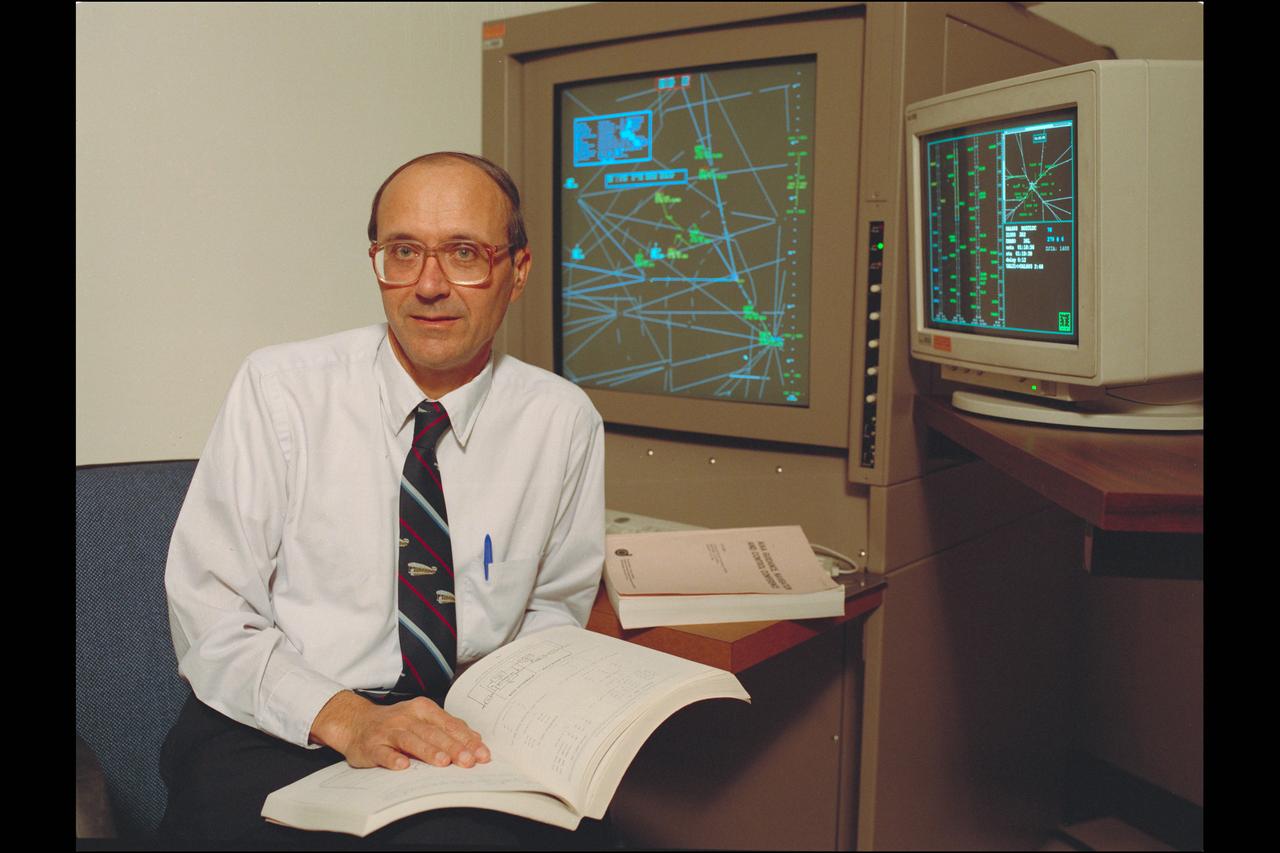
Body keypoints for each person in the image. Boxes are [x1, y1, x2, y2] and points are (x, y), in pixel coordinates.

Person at [159, 152, 607, 847]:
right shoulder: (280, 389)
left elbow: (554, 609)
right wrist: (346, 716)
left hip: (459, 725)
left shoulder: (562, 419)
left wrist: (506, 715)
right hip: (283, 719)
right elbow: (211, 614)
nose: (428, 285)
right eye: (403, 252)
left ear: (516, 271)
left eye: (464, 253)